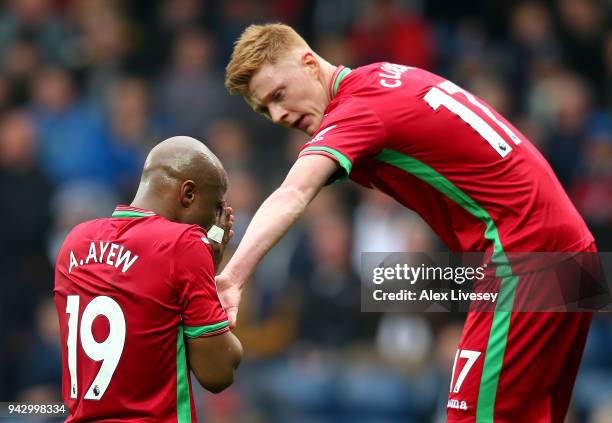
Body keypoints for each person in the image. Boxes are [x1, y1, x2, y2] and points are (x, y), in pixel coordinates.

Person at [219, 23, 597, 422]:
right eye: (264, 109)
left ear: (310, 64)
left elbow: (293, 193)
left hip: (525, 256)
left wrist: (233, 277)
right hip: (570, 250)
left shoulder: (355, 111)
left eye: (278, 95)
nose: (278, 115)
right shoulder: (383, 77)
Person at [54, 136, 243, 422]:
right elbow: (218, 373)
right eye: (216, 207)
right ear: (188, 194)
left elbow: (147, 317)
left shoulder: (75, 242)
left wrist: (204, 267)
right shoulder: (183, 244)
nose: (214, 223)